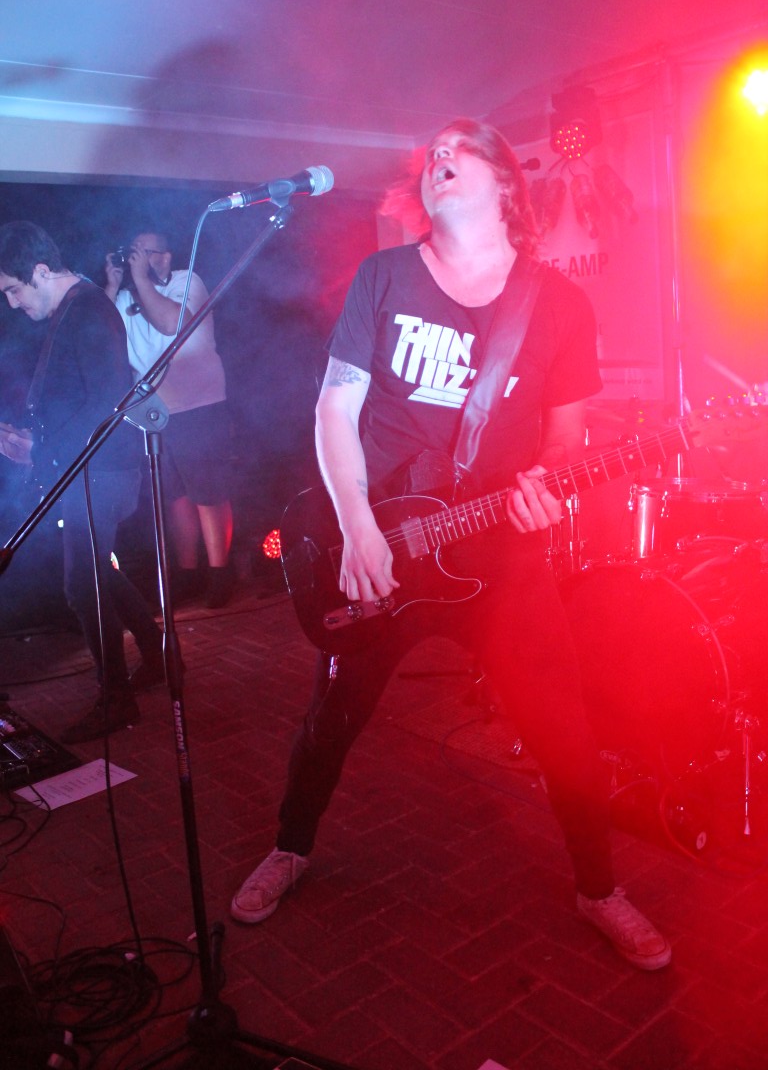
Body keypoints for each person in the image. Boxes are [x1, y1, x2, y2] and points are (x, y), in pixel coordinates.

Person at [229, 119, 672, 972]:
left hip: (496, 552)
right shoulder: (385, 276)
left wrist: (545, 486)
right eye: (429, 155)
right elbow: (335, 409)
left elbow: (566, 440)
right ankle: (290, 846)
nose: (436, 160)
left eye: (456, 151)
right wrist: (357, 528)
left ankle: (599, 888)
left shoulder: (558, 303)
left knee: (564, 728)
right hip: (380, 540)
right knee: (332, 719)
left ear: (505, 182)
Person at [0, 221, 165, 743]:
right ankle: (159, 655)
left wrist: (40, 448)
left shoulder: (89, 310)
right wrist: (31, 436)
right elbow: (74, 398)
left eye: (13, 290)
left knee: (81, 584)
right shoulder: (73, 308)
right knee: (95, 574)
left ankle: (117, 699)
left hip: (104, 470)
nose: (12, 303)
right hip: (92, 467)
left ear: (41, 271)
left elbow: (105, 402)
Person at [104, 229, 234, 609]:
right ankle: (189, 574)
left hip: (199, 404)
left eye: (144, 253)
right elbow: (102, 336)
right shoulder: (126, 296)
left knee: (207, 494)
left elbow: (170, 325)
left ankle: (220, 573)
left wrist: (141, 279)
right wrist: (112, 286)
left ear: (164, 256)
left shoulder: (186, 281)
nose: (136, 261)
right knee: (174, 498)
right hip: (154, 413)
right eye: (132, 254)